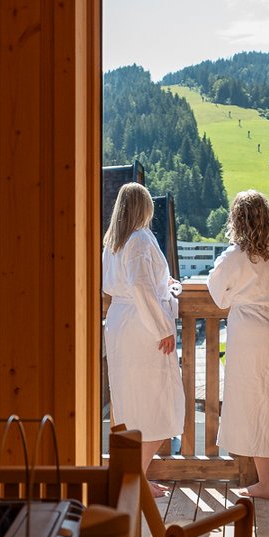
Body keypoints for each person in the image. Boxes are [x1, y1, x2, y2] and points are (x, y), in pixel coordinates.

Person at [207, 190, 269, 499]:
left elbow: (217, 293)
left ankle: (264, 483)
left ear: (238, 220)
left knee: (257, 403)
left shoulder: (237, 254)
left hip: (253, 334)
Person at [102, 182, 185, 497]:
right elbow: (140, 286)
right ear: (143, 207)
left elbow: (139, 281)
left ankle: (134, 477)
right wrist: (163, 327)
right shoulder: (137, 239)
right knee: (154, 403)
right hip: (142, 326)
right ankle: (135, 479)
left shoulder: (113, 241)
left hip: (123, 323)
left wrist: (166, 283)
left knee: (132, 402)